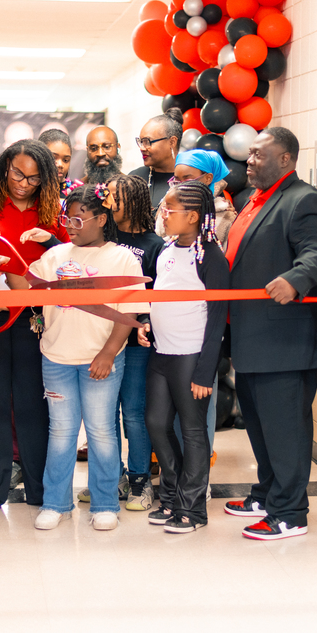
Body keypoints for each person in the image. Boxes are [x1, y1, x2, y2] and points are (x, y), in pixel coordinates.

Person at [5, 185, 148, 532]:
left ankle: (104, 503)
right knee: (62, 431)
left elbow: (129, 313)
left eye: (78, 218)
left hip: (100, 359)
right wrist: (4, 259)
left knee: (101, 431)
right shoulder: (55, 256)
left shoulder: (123, 258)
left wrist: (108, 353)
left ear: (101, 219)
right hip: (56, 357)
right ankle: (56, 502)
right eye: (67, 218)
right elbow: (24, 287)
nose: (70, 224)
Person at [222, 127, 317, 540]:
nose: (248, 161)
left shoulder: (305, 200)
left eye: (257, 155)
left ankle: (289, 513)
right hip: (250, 337)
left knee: (285, 429)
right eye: (248, 154)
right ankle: (267, 493)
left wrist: (296, 279)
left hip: (283, 341)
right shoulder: (255, 199)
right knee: (260, 425)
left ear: (285, 159)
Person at [0, 139, 66, 516]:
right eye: (18, 173)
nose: (24, 183)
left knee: (31, 401)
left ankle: (40, 489)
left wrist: (50, 243)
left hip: (32, 317)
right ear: (5, 166)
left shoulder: (50, 211)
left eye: (35, 178)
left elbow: (66, 260)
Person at [140, 181, 229, 533]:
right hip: (162, 352)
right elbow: (161, 293)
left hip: (191, 356)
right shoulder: (166, 248)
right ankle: (174, 497)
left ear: (192, 216)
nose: (163, 214)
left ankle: (193, 509)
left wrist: (205, 372)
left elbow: (219, 316)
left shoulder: (210, 256)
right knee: (157, 424)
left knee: (192, 430)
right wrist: (147, 320)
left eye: (169, 210)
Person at [78, 174, 164, 511]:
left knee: (133, 414)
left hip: (134, 345)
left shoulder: (153, 245)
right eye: (107, 195)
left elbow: (156, 296)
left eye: (115, 196)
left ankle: (141, 481)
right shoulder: (99, 241)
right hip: (99, 339)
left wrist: (145, 323)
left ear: (135, 201)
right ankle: (110, 478)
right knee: (104, 416)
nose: (108, 201)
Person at [162, 149, 237, 243]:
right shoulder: (167, 207)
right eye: (177, 181)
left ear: (208, 178)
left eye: (188, 180)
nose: (181, 186)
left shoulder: (226, 217)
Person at [129, 109, 183, 207]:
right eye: (141, 141)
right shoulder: (134, 179)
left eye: (147, 141)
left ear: (172, 142)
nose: (142, 148)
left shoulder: (189, 179)